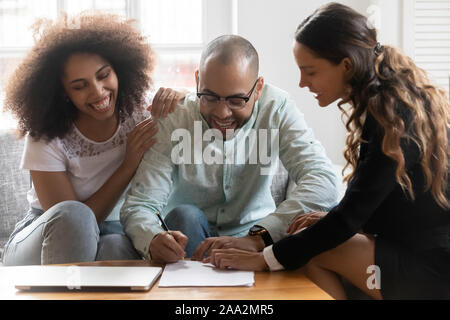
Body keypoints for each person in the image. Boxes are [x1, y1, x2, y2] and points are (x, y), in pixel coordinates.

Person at [206, 3, 450, 300]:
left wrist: (265, 257)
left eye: (310, 71)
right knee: (307, 237)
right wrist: (331, 218)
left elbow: (349, 220)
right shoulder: (389, 103)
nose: (301, 82)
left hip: (432, 269)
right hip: (414, 251)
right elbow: (371, 207)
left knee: (313, 253)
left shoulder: (392, 118)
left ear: (346, 65)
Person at [120, 34, 339, 264]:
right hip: (187, 235)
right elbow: (141, 204)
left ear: (258, 88)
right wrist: (152, 237)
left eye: (236, 100)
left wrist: (261, 234)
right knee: (186, 215)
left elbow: (322, 179)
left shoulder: (277, 108)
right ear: (196, 82)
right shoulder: (175, 117)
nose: (222, 113)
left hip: (254, 238)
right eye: (210, 97)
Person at [1, 13, 185, 266]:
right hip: (46, 236)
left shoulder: (139, 113)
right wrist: (128, 165)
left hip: (113, 232)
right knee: (75, 216)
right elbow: (75, 223)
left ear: (119, 70)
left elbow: (197, 108)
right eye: (80, 86)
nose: (98, 92)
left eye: (103, 75)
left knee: (116, 245)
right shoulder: (46, 135)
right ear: (63, 92)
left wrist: (180, 94)